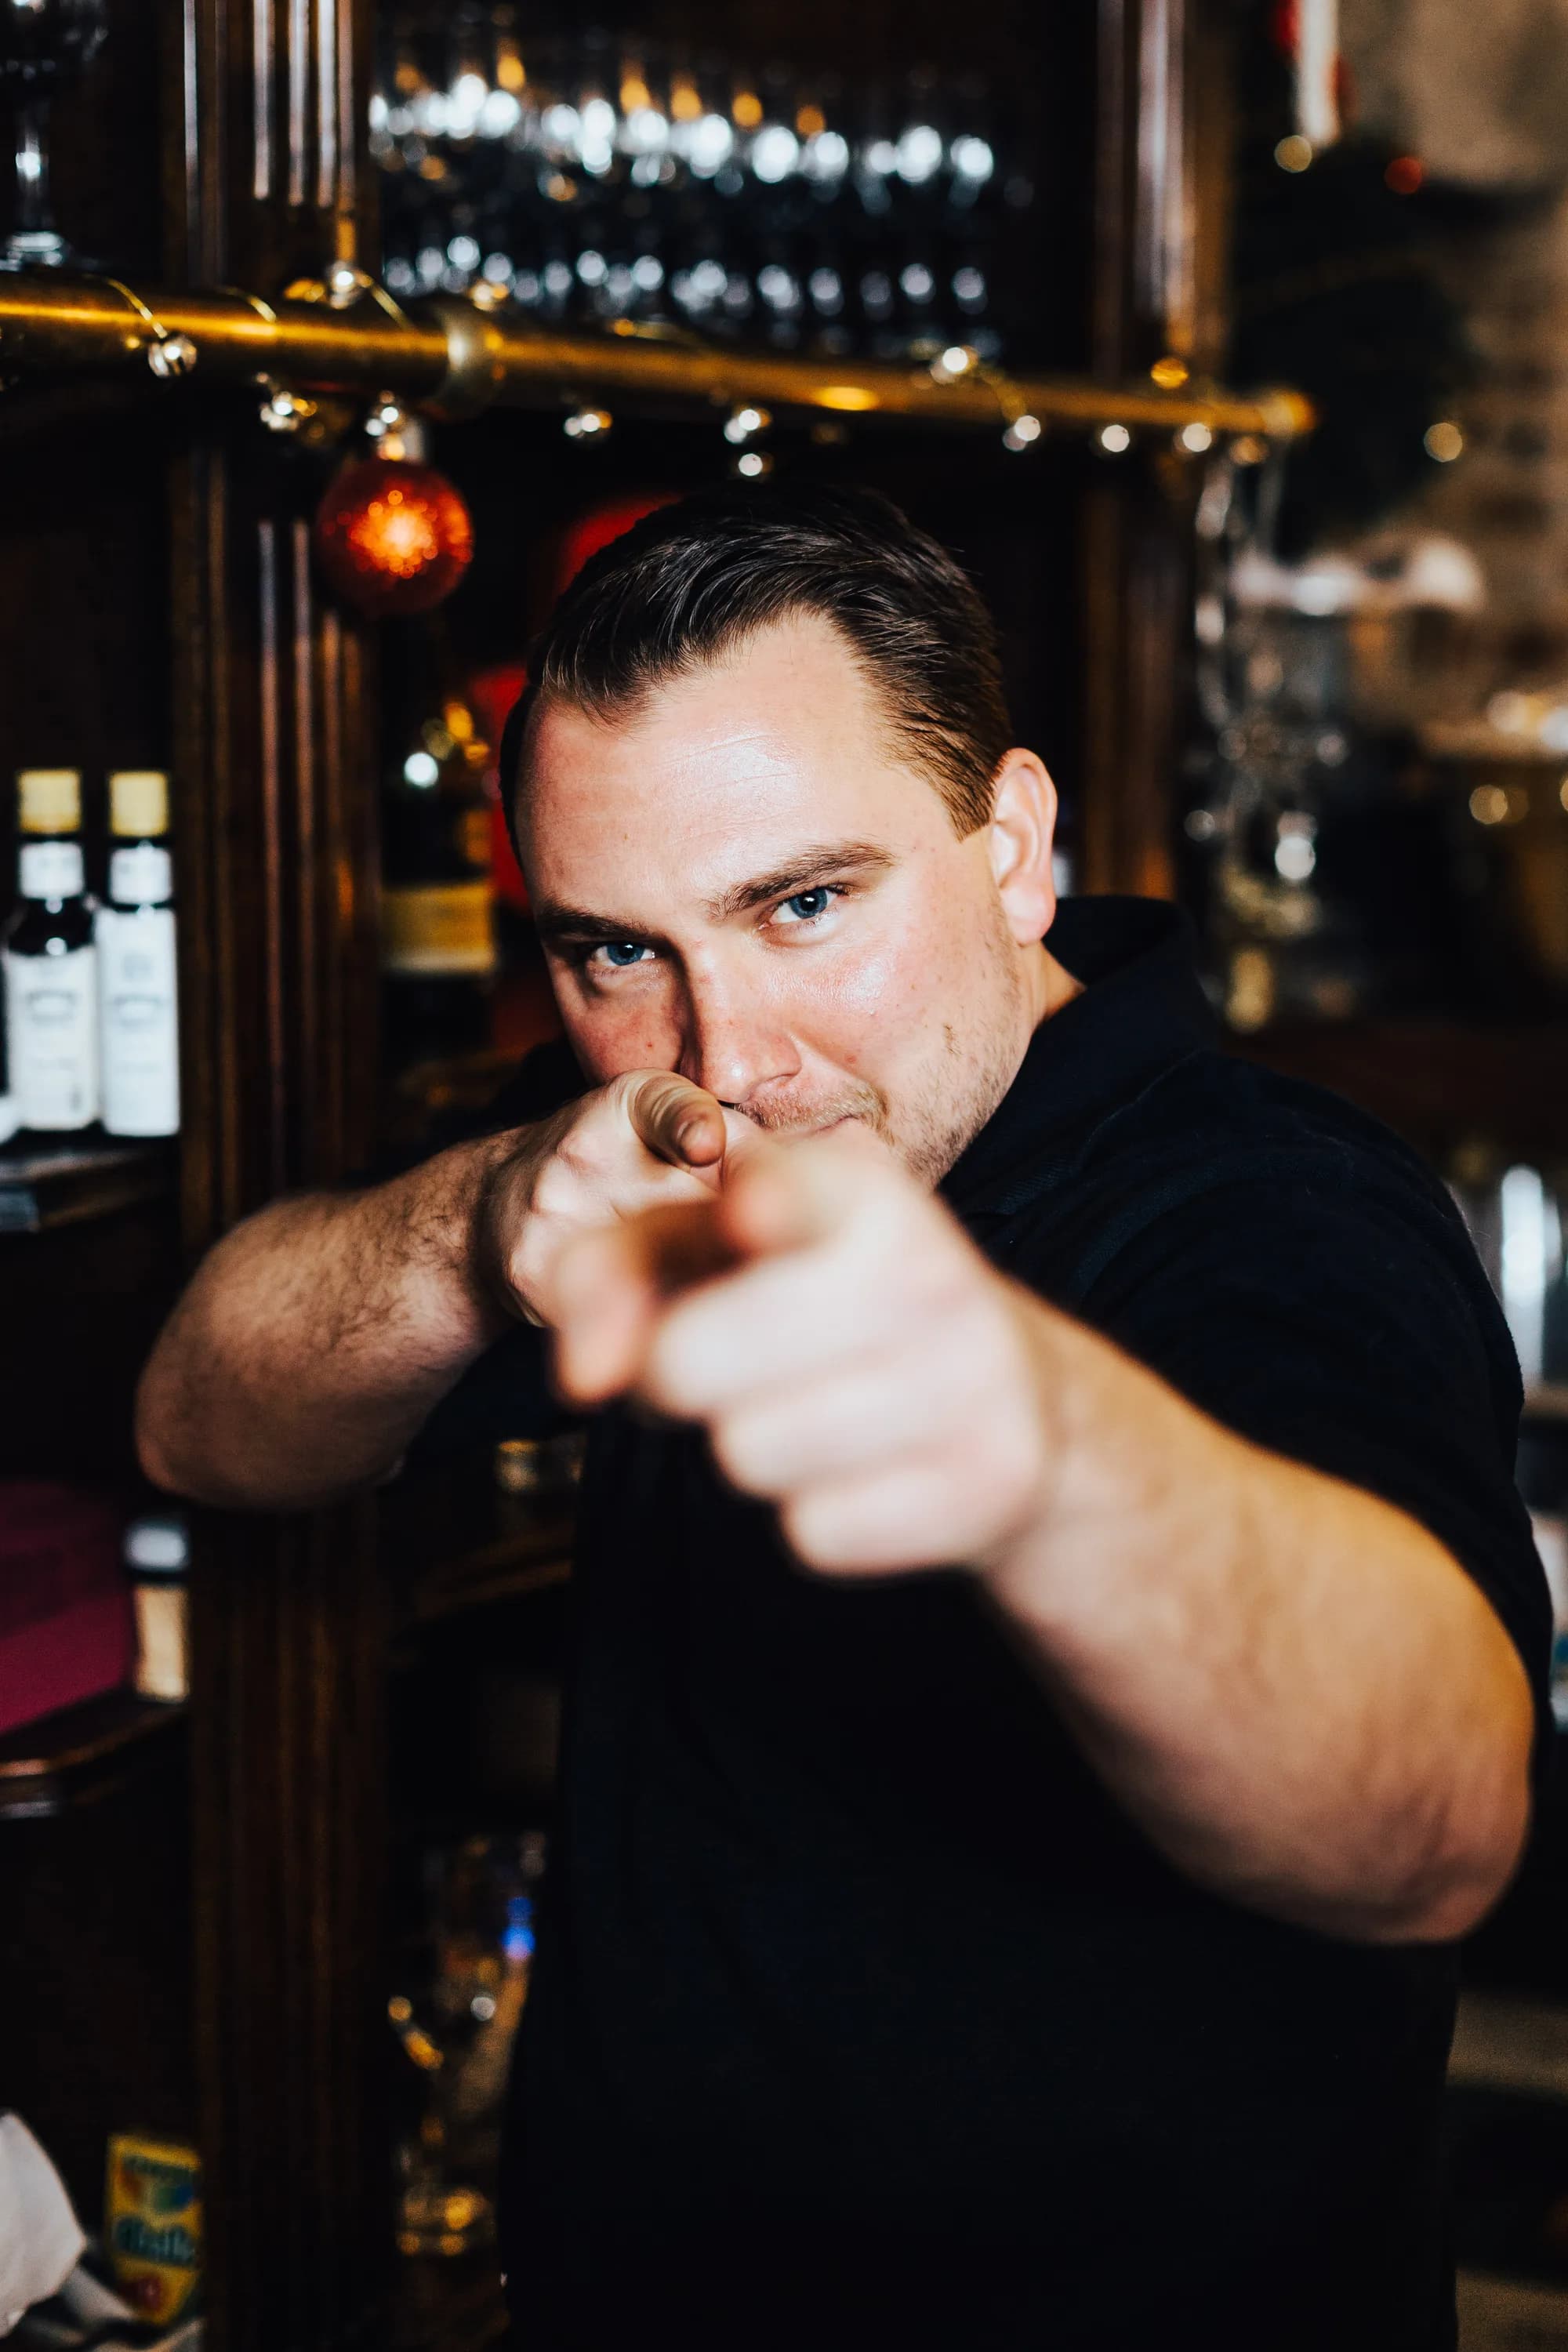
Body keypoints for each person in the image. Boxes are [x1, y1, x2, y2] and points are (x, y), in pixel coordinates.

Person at [136, 485, 1550, 2351]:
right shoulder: (654, 1120)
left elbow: (1433, 1829)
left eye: (803, 905)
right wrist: (479, 1233)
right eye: (612, 953)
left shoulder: (1270, 1210)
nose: (729, 1058)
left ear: (1012, 846)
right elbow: (198, 1423)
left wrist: (1032, 1446)